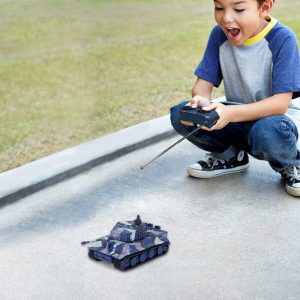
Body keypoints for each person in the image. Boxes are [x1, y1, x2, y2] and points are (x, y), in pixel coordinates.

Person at [170, 0, 300, 197]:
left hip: (274, 122)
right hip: (236, 118)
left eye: (238, 9)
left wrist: (230, 113)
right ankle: (231, 156)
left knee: (268, 131)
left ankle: (291, 164)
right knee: (180, 113)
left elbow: (280, 104)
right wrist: (200, 102)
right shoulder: (219, 34)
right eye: (219, 7)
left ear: (264, 8)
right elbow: (202, 85)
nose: (226, 18)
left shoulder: (282, 38)